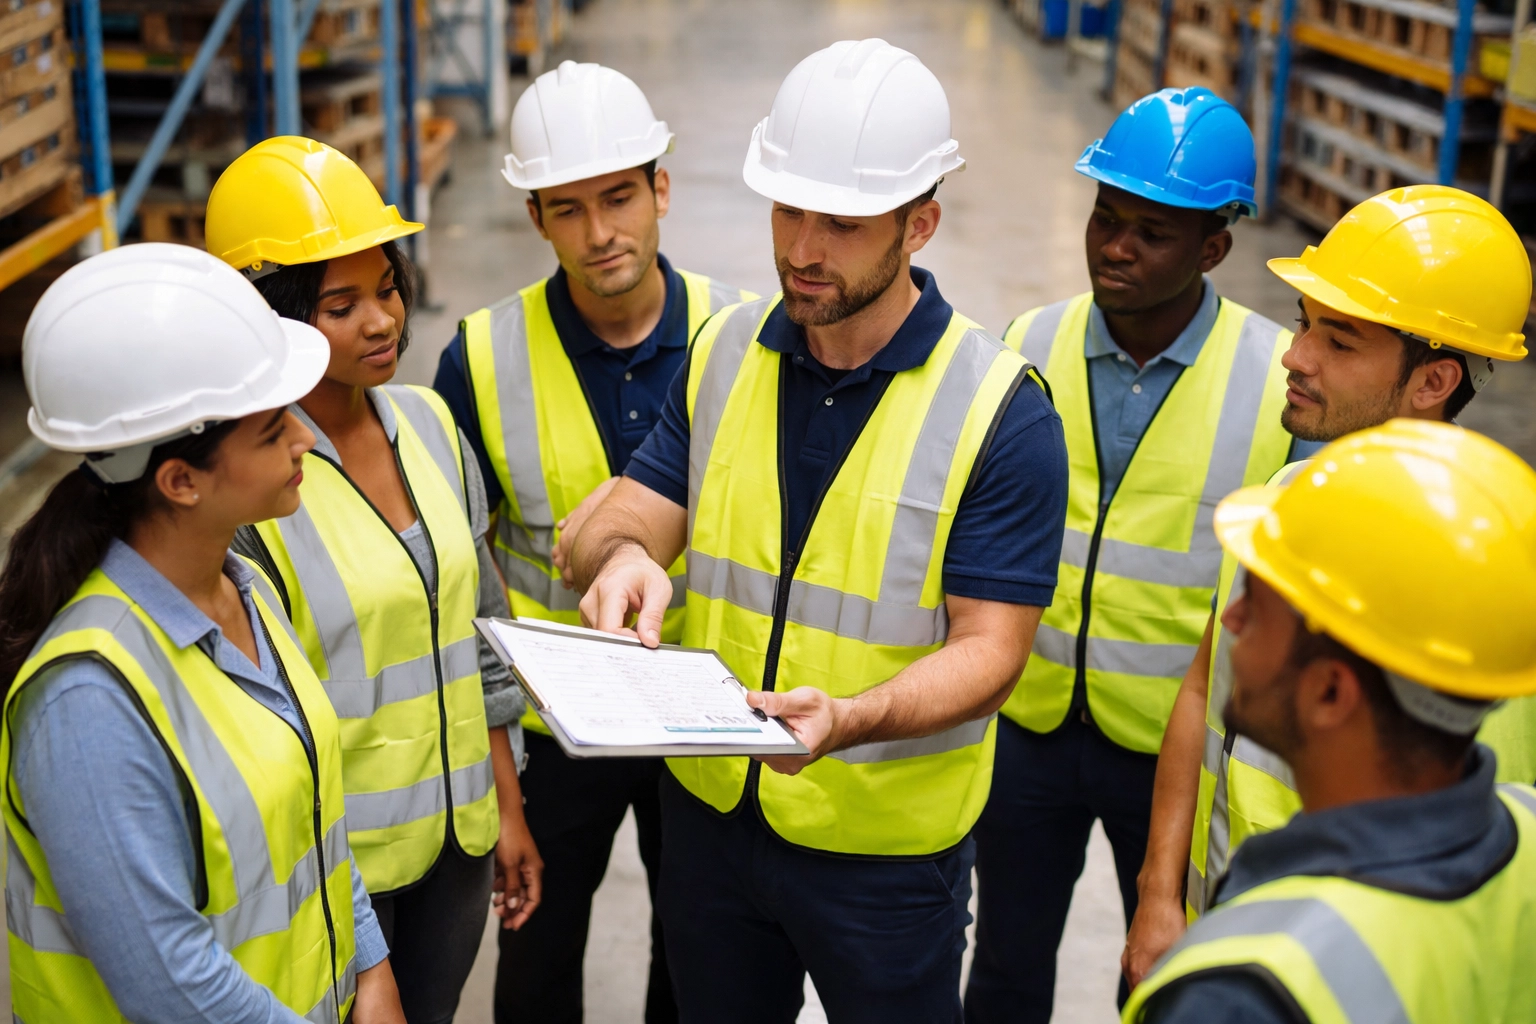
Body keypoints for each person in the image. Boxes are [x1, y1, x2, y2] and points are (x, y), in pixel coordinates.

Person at [569, 39, 1069, 1023]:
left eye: (842, 223)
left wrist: (850, 719)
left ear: (920, 222)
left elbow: (993, 653)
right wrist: (624, 558)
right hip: (714, 825)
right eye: (788, 208)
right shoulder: (726, 352)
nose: (803, 249)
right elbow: (624, 517)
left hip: (885, 860)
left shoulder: (1000, 412)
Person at [1122, 183, 1536, 989]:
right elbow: (1203, 689)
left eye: (1339, 342)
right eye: (1305, 323)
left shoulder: (1488, 571)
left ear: (1433, 381)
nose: (1295, 356)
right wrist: (1158, 895)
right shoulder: (1281, 505)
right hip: (1229, 933)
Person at [965, 87, 1308, 1023]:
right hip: (1028, 720)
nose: (1115, 247)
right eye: (1105, 219)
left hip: (1167, 749)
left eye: (1151, 234)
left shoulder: (1276, 379)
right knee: (1004, 965)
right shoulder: (1030, 342)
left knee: (1159, 970)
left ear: (1212, 250)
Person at [0, 243, 406, 1023]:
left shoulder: (243, 591)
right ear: (180, 481)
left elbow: (309, 819)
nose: (305, 440)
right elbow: (168, 982)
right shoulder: (87, 703)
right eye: (272, 431)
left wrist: (371, 963)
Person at [430, 60, 751, 1024]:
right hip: (553, 724)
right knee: (536, 960)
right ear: (535, 217)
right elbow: (460, 577)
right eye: (567, 209)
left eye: (618, 198)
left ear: (661, 189)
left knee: (695, 956)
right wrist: (501, 779)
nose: (599, 232)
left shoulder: (745, 340)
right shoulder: (480, 358)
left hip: (700, 709)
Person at [204, 137, 540, 1023]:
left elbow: (483, 638)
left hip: (459, 849)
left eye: (387, 289)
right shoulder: (253, 492)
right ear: (269, 319)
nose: (382, 320)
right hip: (339, 870)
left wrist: (507, 809)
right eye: (340, 305)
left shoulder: (430, 425)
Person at [1121, 417, 1536, 1023]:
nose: (1230, 621)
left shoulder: (1239, 991)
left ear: (1331, 692)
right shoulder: (1525, 827)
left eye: (1257, 607)